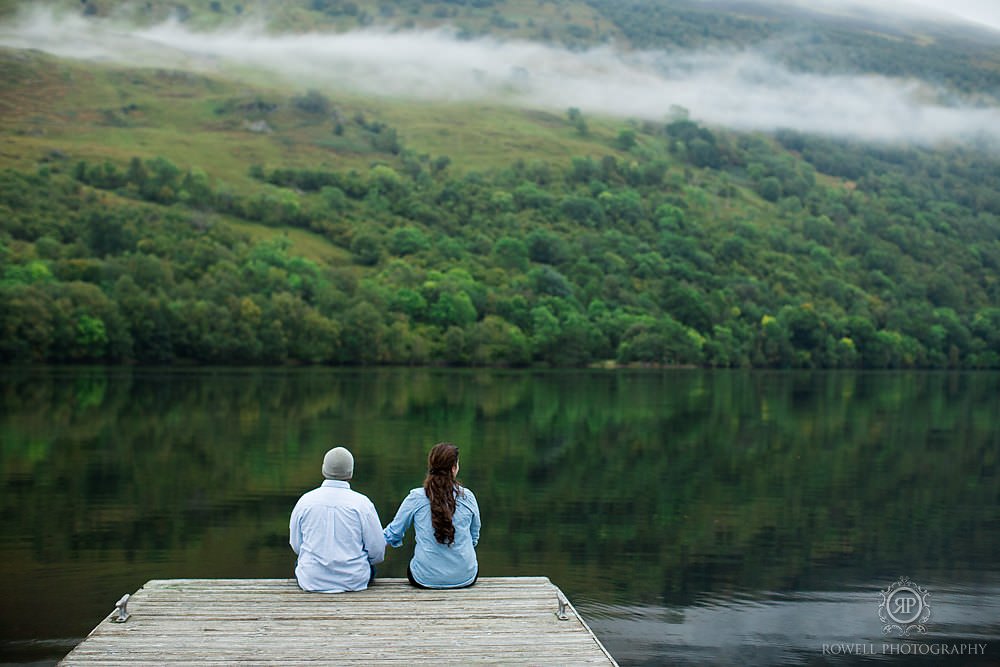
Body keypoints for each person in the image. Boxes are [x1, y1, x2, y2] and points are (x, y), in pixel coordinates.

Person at [383, 442, 481, 589]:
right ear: (454, 468)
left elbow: (393, 533)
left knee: (415, 564)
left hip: (424, 578)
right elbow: (474, 537)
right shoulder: (468, 497)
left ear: (431, 467)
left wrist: (366, 546)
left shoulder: (416, 497)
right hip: (465, 576)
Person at [289, 446, 385, 593]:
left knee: (300, 562)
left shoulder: (305, 501)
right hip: (354, 580)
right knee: (370, 567)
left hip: (312, 580)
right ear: (351, 473)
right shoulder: (362, 504)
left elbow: (297, 546)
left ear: (323, 470)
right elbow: (377, 551)